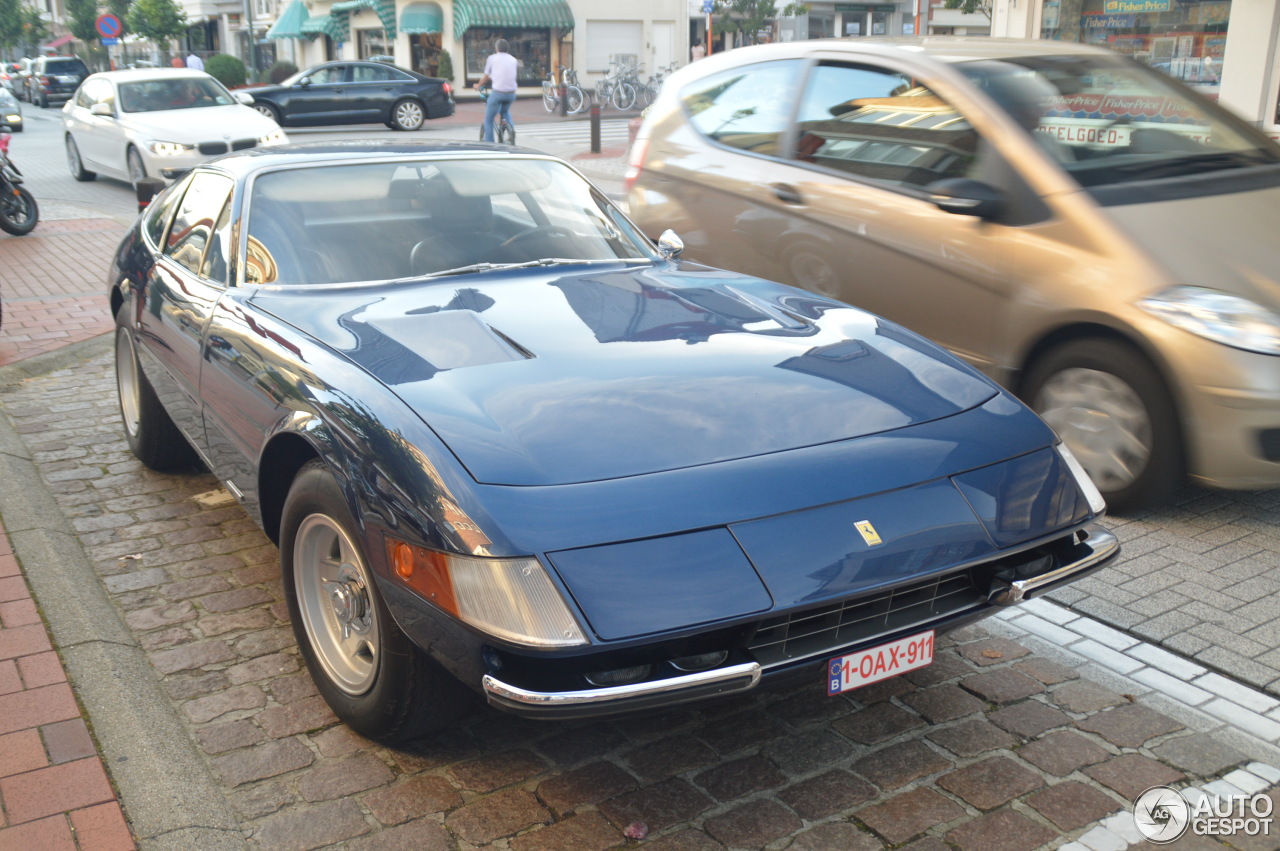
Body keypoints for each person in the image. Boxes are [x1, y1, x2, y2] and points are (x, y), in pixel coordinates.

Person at [475, 38, 517, 143]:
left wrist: (478, 85)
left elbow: (485, 76)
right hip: (511, 93)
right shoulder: (513, 60)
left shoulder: (492, 58)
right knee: (505, 111)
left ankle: (490, 142)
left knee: (488, 119)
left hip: (498, 92)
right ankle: (511, 131)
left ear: (496, 48)